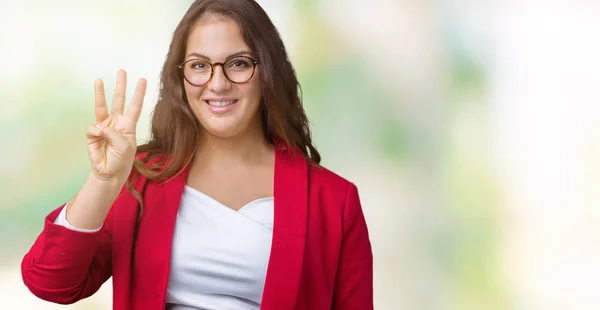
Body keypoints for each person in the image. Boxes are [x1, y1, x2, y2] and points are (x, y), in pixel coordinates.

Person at [21, 0, 373, 309]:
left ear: (267, 70)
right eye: (200, 65)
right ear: (180, 78)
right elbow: (51, 282)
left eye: (237, 64)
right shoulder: (139, 181)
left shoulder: (335, 202)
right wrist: (103, 180)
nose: (217, 84)